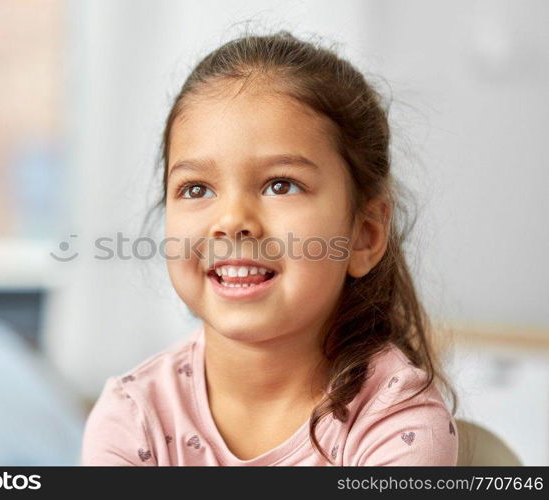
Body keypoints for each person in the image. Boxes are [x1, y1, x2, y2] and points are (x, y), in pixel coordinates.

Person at [80, 31, 458, 466]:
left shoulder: (397, 423)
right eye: (197, 188)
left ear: (365, 235)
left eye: (281, 185)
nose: (232, 221)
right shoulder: (133, 417)